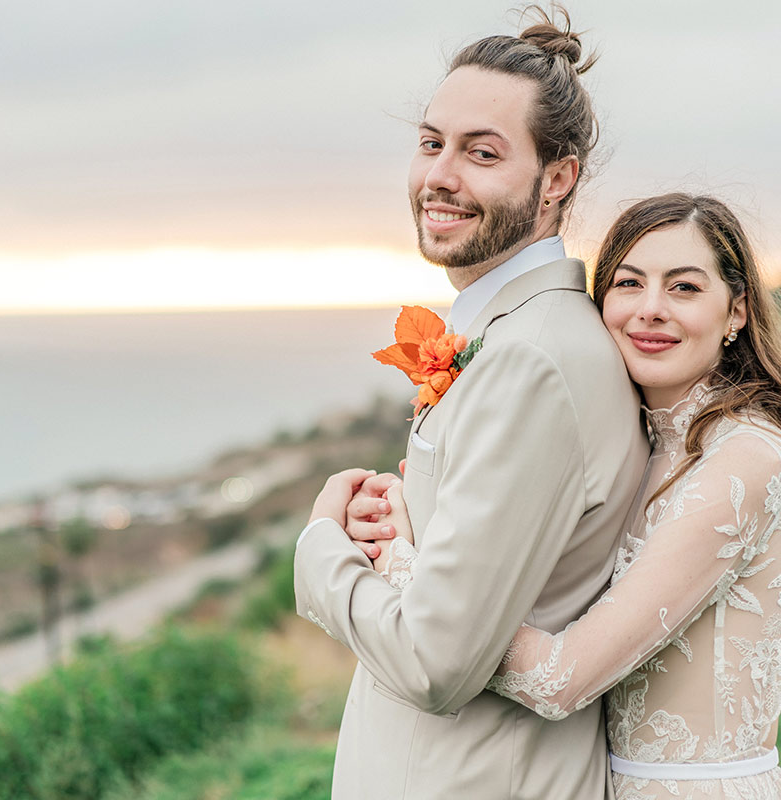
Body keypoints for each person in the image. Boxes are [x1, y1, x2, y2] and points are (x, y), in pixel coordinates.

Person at [367, 193, 781, 799]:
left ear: (737, 311)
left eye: (684, 289)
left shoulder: (743, 462)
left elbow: (560, 680)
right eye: (628, 283)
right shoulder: (645, 446)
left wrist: (401, 559)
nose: (650, 310)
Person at [294, 7, 651, 800]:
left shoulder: (532, 362)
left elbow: (436, 660)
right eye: (431, 144)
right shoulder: (512, 336)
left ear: (557, 179)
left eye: (481, 153)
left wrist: (322, 552)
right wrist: (399, 527)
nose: (439, 178)